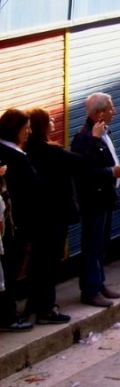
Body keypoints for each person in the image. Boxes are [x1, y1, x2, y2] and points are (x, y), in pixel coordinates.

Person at [24, 108, 101, 324]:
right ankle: (46, 310)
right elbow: (84, 163)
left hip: (37, 214)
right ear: (41, 126)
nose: (52, 119)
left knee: (37, 260)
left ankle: (34, 303)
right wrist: (95, 138)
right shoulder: (51, 152)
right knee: (49, 262)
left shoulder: (28, 150)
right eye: (48, 118)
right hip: (55, 214)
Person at [71, 93, 120, 308]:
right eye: (111, 108)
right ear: (99, 113)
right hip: (93, 199)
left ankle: (99, 282)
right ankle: (90, 290)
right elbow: (84, 171)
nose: (115, 111)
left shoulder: (103, 132)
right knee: (92, 244)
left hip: (105, 197)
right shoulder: (84, 137)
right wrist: (111, 172)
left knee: (101, 243)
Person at [0, 109, 39, 330]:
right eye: (26, 128)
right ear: (15, 130)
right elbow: (32, 189)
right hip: (16, 224)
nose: (29, 132)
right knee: (10, 270)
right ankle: (8, 316)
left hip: (8, 223)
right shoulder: (16, 157)